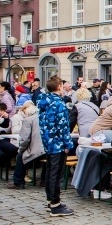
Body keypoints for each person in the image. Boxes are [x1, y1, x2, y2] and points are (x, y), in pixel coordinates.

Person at [38, 76, 75, 216]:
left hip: (48, 141)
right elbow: (63, 126)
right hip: (58, 143)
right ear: (59, 87)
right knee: (56, 173)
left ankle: (50, 200)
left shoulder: (43, 101)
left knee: (50, 172)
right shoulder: (58, 103)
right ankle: (55, 203)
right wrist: (67, 144)